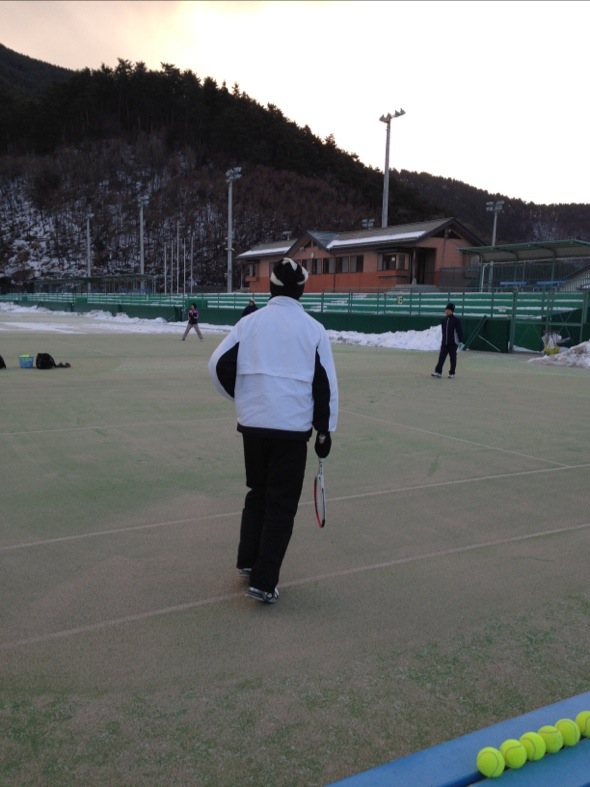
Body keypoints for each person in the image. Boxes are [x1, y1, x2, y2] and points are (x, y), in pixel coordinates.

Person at [208, 257, 338, 604]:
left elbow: (217, 365)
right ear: (302, 289)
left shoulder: (249, 323)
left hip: (253, 426)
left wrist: (243, 397)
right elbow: (325, 387)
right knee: (281, 504)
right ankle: (264, 582)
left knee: (258, 493)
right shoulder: (313, 330)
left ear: (271, 287)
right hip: (291, 432)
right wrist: (324, 432)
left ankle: (248, 562)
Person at [431, 303, 464, 379]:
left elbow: (459, 331)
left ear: (452, 311)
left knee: (453, 358)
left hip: (453, 343)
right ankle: (438, 372)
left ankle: (452, 373)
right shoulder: (444, 320)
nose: (446, 311)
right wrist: (443, 340)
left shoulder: (456, 320)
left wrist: (460, 341)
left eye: (448, 310)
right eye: (446, 310)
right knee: (441, 357)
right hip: (444, 343)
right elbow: (443, 332)